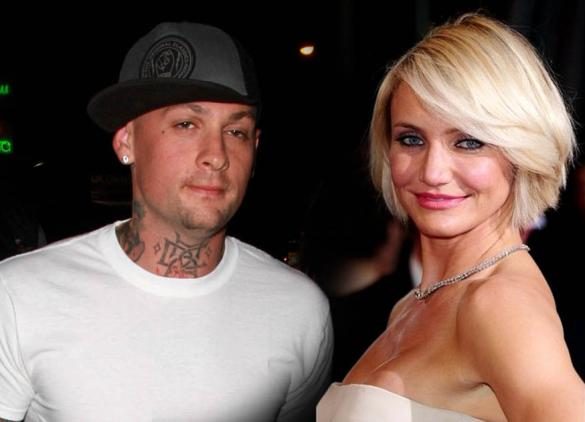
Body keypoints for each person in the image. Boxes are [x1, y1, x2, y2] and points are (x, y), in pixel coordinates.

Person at [0, 22, 332, 422]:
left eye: (236, 131)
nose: (217, 155)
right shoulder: (18, 296)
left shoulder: (299, 309)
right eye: (186, 124)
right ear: (126, 141)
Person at [317, 13, 585, 421]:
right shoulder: (411, 305)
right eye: (411, 139)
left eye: (468, 142)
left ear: (521, 152)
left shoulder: (498, 303)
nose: (432, 172)